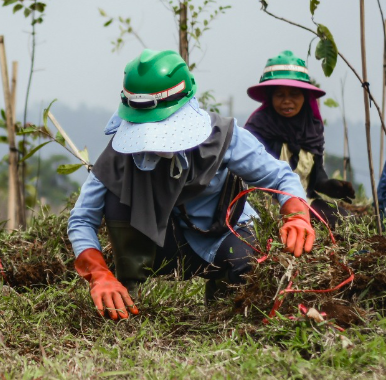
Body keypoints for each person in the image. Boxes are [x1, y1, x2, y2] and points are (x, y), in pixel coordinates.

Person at [67, 49, 314, 320]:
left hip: (221, 234)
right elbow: (81, 219)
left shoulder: (222, 137)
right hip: (161, 244)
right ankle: (127, 293)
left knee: (247, 261)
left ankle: (224, 292)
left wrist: (297, 216)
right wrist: (98, 274)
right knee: (114, 199)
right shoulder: (118, 154)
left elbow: (280, 177)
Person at [245, 50, 354, 228]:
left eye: (294, 94)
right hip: (265, 204)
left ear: (305, 96)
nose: (287, 101)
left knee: (345, 220)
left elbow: (316, 177)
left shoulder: (312, 128)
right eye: (280, 95)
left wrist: (330, 186)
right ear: (270, 97)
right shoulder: (259, 127)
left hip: (304, 201)